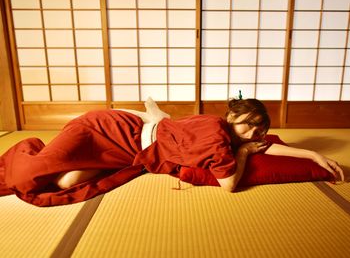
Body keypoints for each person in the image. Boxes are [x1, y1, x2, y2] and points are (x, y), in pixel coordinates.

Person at [0, 98, 344, 206]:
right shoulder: (216, 134)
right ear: (233, 116)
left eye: (260, 129)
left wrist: (313, 156)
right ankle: (28, 149)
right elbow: (230, 185)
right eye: (249, 123)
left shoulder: (234, 141)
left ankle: (155, 114)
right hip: (108, 129)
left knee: (65, 183)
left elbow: (275, 148)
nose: (254, 133)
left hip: (125, 154)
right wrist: (241, 156)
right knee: (27, 174)